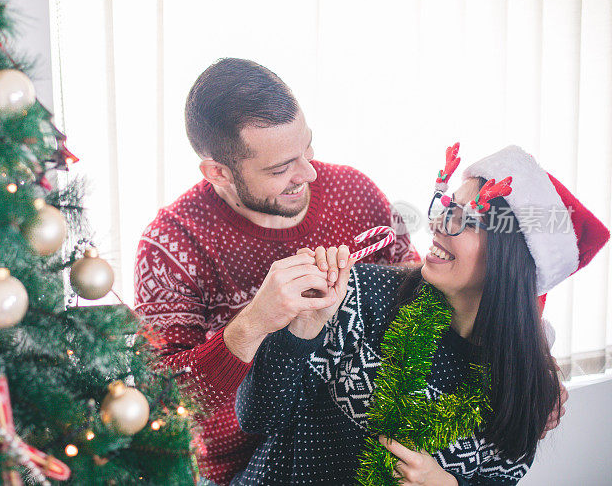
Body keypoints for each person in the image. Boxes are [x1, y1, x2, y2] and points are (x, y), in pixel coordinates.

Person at [234, 144, 609, 485]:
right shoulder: (361, 296)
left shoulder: (525, 388)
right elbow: (256, 418)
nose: (438, 224)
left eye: (467, 219)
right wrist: (300, 331)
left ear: (512, 260)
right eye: (446, 206)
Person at [133, 58, 419, 484]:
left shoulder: (354, 194)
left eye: (307, 148)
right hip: (239, 469)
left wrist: (523, 368)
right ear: (219, 173)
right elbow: (164, 400)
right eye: (280, 168)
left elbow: (424, 300)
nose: (308, 173)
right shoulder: (172, 244)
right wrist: (252, 323)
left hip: (352, 454)